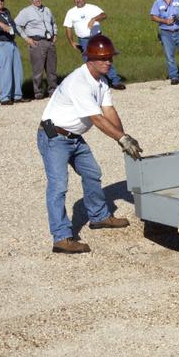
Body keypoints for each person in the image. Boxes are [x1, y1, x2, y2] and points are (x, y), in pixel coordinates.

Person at [37, 34, 143, 254]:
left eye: (110, 58)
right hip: (54, 137)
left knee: (92, 172)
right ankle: (62, 237)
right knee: (58, 187)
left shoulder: (101, 82)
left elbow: (109, 111)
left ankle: (99, 216)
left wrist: (123, 137)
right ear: (90, 59)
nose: (108, 62)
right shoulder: (79, 81)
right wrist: (121, 138)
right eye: (103, 58)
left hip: (74, 137)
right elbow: (97, 119)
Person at [63, 0, 125, 89]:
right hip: (83, 40)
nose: (78, 1)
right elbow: (68, 28)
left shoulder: (92, 8)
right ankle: (94, 83)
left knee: (105, 58)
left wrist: (94, 19)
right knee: (89, 61)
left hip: (97, 38)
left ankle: (115, 81)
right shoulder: (71, 12)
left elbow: (104, 15)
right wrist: (71, 42)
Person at [14, 0, 59, 99]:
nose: (37, 1)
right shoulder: (26, 12)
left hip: (49, 41)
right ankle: (38, 92)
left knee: (51, 69)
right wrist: (26, 38)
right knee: (38, 70)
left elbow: (54, 22)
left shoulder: (47, 10)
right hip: (36, 42)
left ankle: (53, 90)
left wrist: (55, 34)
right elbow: (16, 25)